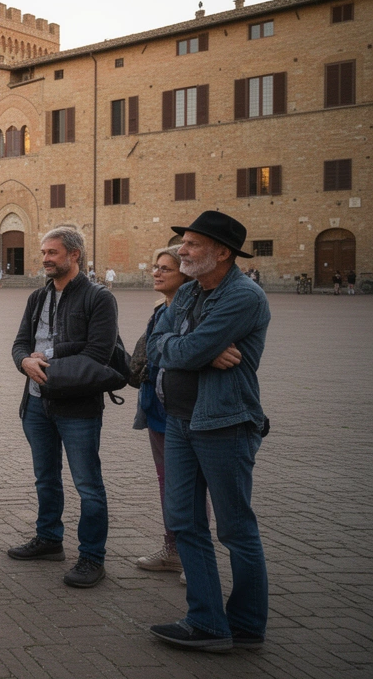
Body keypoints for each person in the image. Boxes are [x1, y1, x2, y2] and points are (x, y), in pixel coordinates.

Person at [147, 211, 271, 652]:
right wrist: (197, 351)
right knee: (186, 522)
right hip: (180, 421)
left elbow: (188, 347)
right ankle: (207, 622)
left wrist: (192, 350)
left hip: (224, 425)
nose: (182, 250)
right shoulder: (190, 291)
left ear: (223, 252)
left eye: (193, 244)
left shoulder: (244, 296)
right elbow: (156, 343)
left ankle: (248, 625)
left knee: (235, 529)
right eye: (184, 242)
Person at [9, 226, 118, 589]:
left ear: (74, 255)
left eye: (52, 253)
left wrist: (48, 357)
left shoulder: (98, 297)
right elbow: (19, 344)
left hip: (77, 407)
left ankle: (92, 557)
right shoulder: (37, 297)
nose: (44, 259)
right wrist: (25, 361)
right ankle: (49, 539)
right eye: (43, 253)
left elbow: (98, 352)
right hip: (37, 403)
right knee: (46, 478)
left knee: (88, 484)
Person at [131, 246, 191, 578]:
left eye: (165, 269)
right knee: (166, 482)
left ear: (185, 275)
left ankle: (192, 557)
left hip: (181, 410)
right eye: (155, 267)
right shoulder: (160, 309)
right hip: (156, 408)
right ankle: (172, 550)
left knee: (188, 487)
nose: (157, 272)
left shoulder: (194, 312)